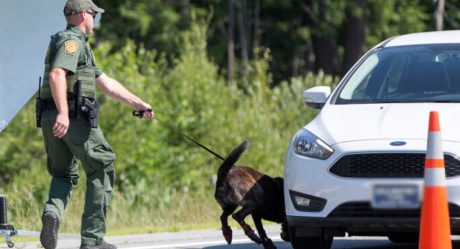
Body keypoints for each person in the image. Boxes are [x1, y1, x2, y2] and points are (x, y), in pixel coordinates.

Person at [37, 0, 154, 248]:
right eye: (93, 14)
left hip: (53, 117)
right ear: (81, 15)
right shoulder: (72, 42)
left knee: (63, 174)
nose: (95, 19)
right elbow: (57, 74)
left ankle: (52, 214)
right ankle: (93, 241)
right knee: (102, 164)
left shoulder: (78, 46)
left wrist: (139, 103)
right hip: (71, 118)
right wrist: (64, 114)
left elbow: (106, 83)